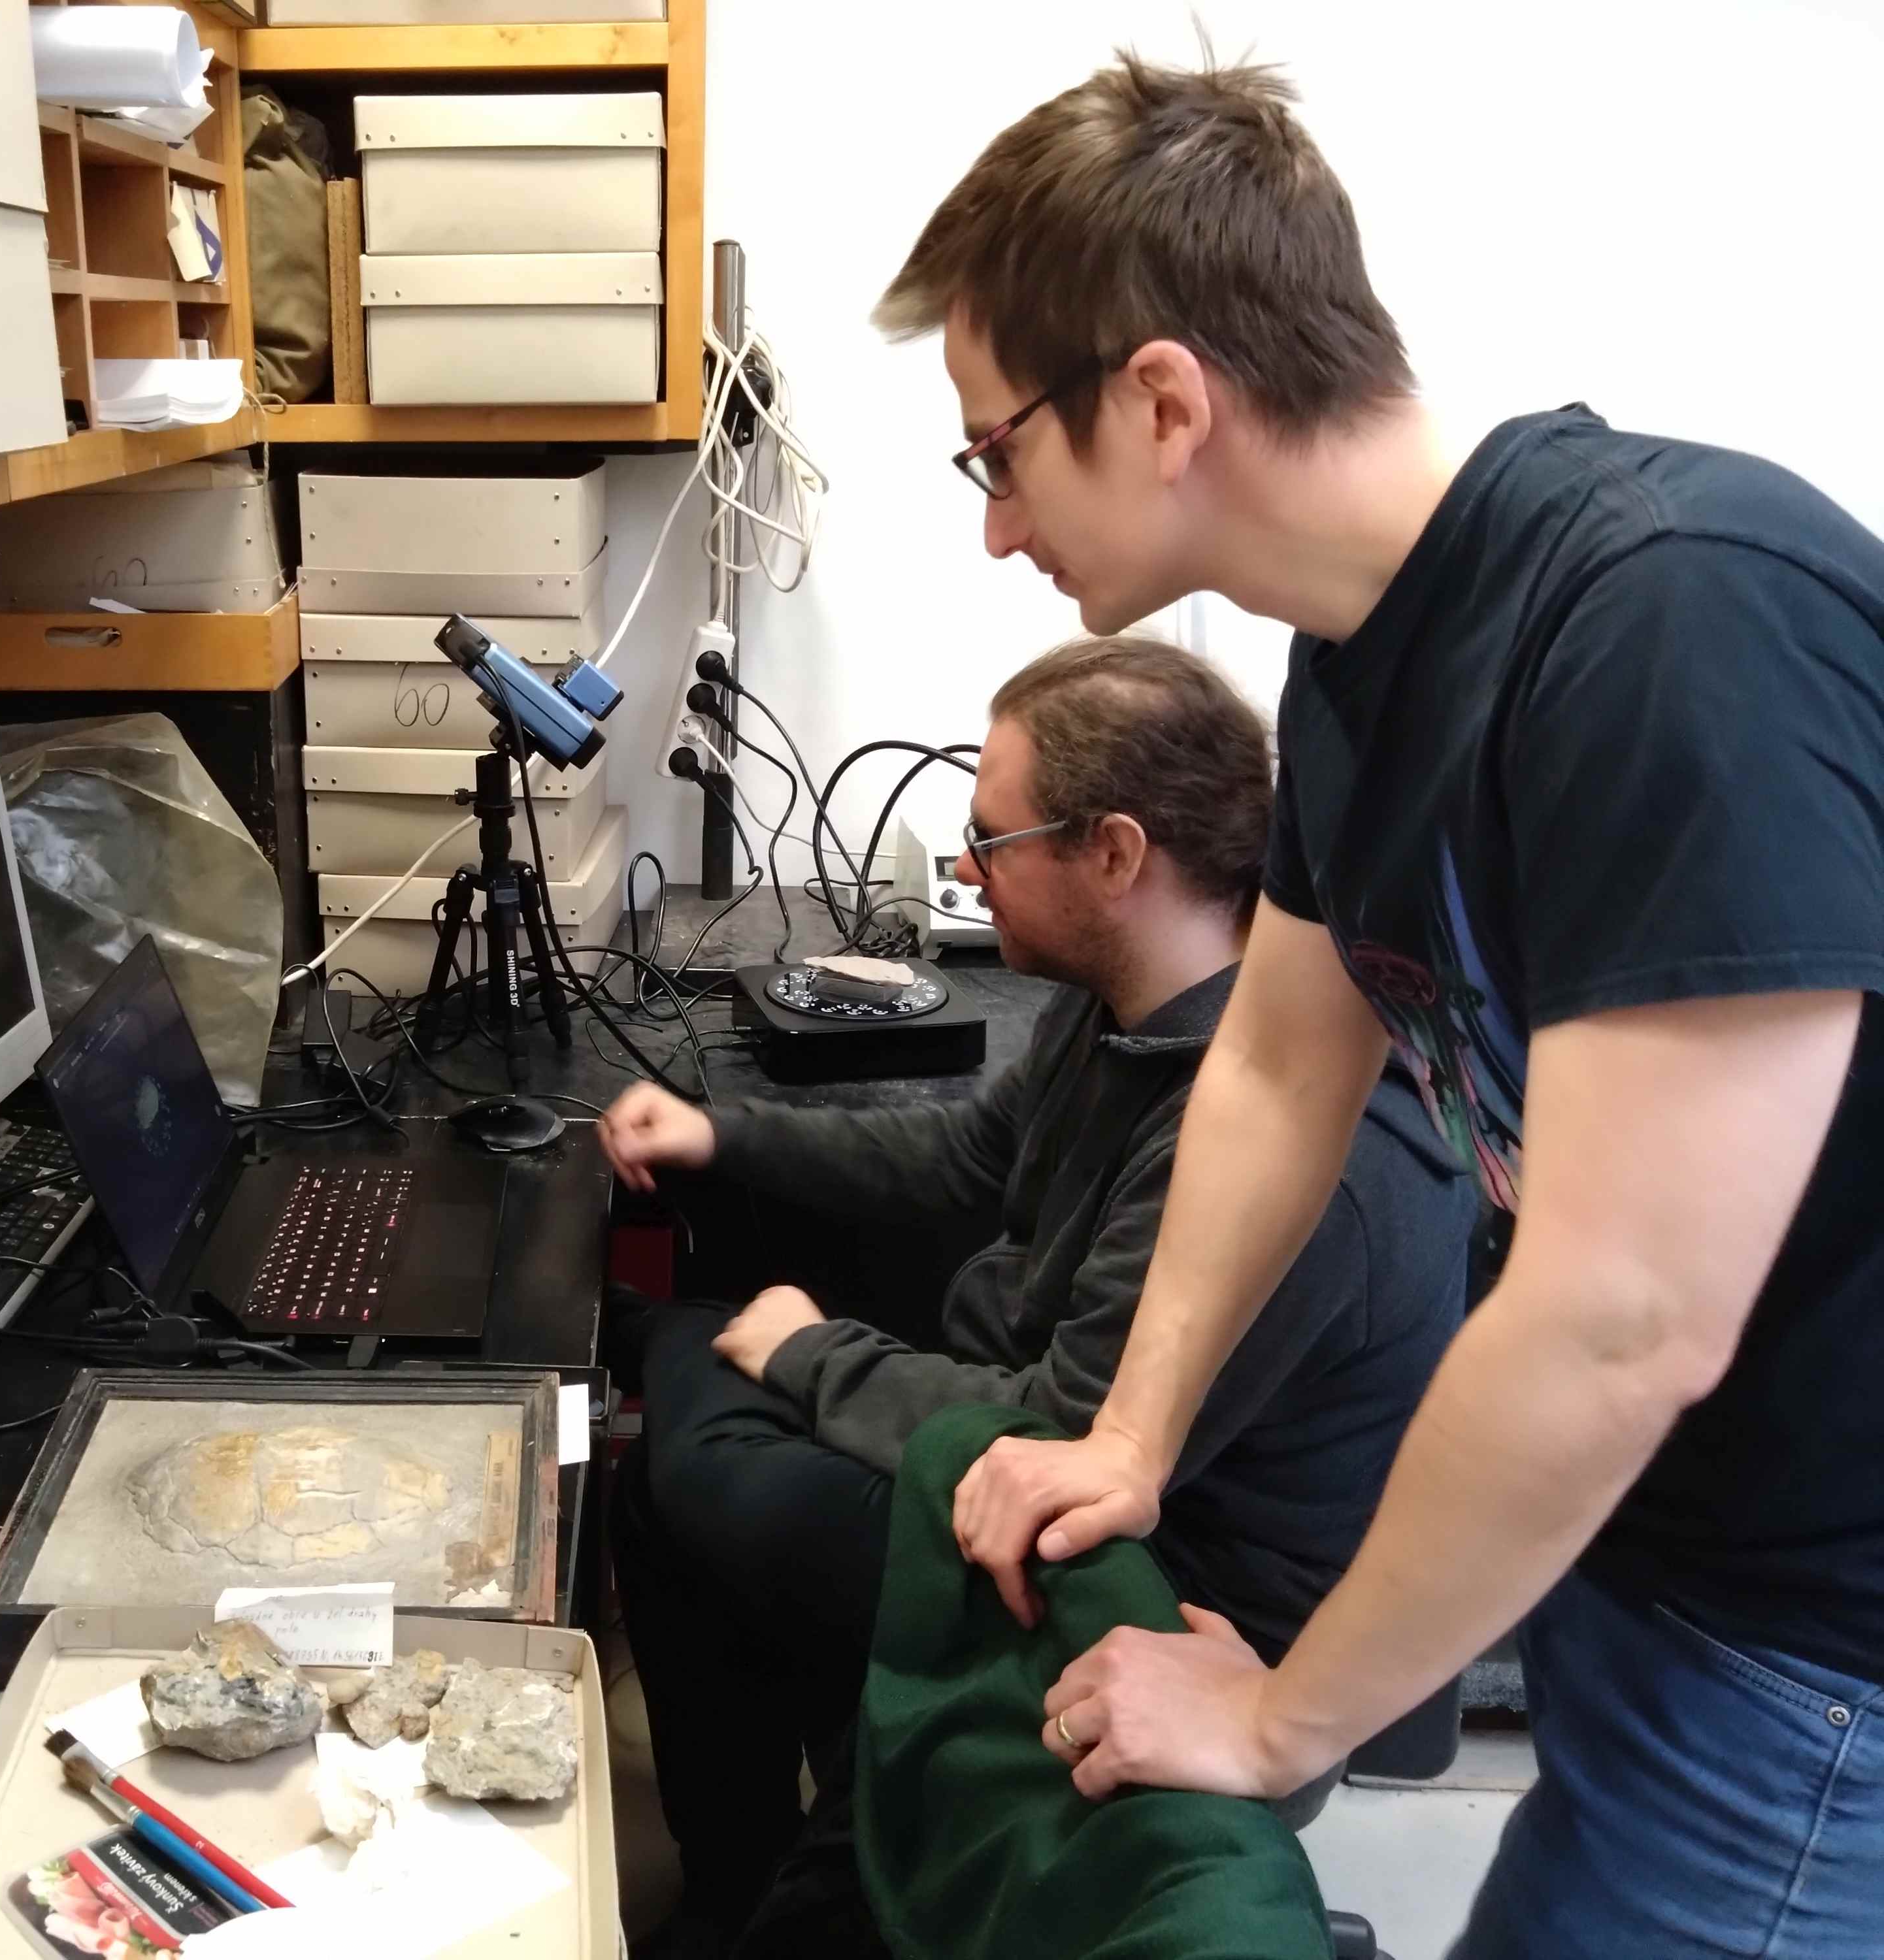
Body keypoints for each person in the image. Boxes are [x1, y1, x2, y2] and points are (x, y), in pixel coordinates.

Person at [885, 48, 1884, 1960]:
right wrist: (1132, 1438)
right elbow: (1277, 1063)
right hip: (1645, 1558)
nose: (994, 526)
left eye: (994, 453)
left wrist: (1282, 1720)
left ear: (1161, 401)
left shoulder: (1669, 623)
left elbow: (1620, 1319)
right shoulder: (1358, 672)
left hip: (1817, 1655)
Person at [600, 635, 1474, 1957]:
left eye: (990, 839)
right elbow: (969, 1155)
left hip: (1150, 1584)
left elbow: (1066, 1437)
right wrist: (721, 1135)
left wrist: (809, 1356)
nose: (965, 869)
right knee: (670, 1478)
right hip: (1038, 1454)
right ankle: (738, 1878)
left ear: (1115, 854)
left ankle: (795, 1866)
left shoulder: (1293, 1162)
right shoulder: (1124, 998)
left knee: (706, 1450)